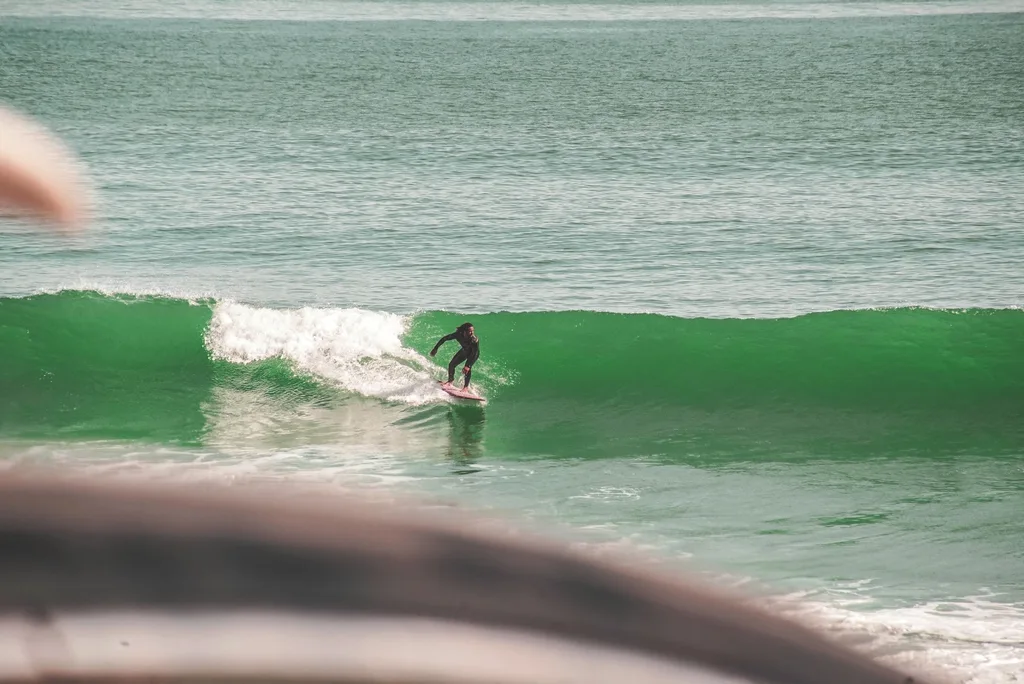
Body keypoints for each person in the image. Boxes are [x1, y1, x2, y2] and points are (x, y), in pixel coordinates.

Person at [430, 322, 479, 390]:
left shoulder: (474, 340)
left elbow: (474, 353)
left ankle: (465, 388)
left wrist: (468, 365)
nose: (472, 333)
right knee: (451, 365)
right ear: (464, 331)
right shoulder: (458, 335)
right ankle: (450, 381)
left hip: (473, 354)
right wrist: (435, 348)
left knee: (467, 369)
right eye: (470, 331)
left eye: (473, 331)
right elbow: (444, 338)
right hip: (464, 351)